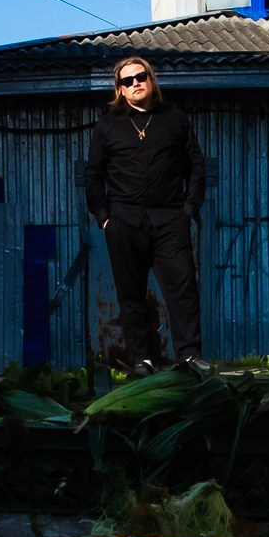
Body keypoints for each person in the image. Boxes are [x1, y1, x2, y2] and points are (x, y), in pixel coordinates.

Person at [84, 56, 207, 374]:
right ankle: (142, 359)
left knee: (182, 289)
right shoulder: (107, 126)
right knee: (131, 293)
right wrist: (105, 217)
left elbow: (196, 166)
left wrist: (189, 209)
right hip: (124, 221)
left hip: (170, 219)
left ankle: (189, 356)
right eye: (127, 81)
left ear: (151, 80)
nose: (135, 83)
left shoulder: (175, 119)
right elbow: (93, 175)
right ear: (120, 90)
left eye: (140, 77)